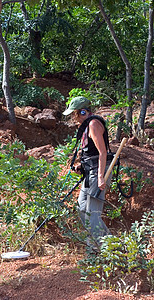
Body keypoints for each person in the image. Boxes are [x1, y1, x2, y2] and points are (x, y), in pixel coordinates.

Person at [63, 96, 112, 248]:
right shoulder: (87, 125)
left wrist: (100, 177)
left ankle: (107, 249)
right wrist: (82, 167)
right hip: (90, 171)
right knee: (82, 207)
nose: (73, 117)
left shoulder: (93, 124)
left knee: (92, 213)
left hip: (98, 172)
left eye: (74, 113)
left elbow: (102, 152)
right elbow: (92, 153)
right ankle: (103, 244)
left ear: (82, 112)